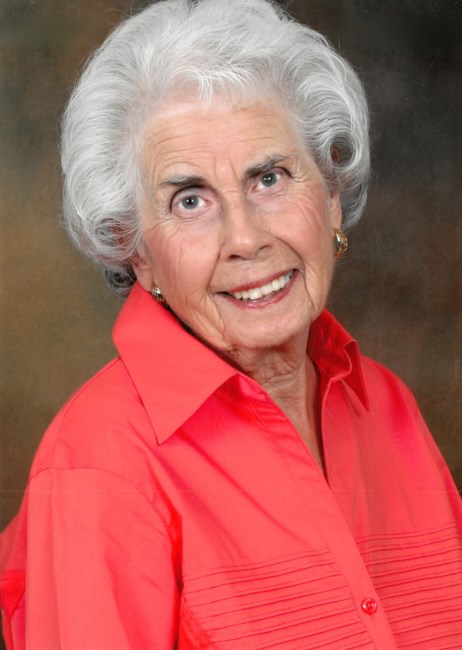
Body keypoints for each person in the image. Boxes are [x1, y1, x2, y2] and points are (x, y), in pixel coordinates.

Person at [1, 0, 461, 647]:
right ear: (137, 250)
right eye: (189, 200)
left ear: (330, 195)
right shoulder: (100, 466)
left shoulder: (388, 409)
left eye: (268, 178)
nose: (245, 238)